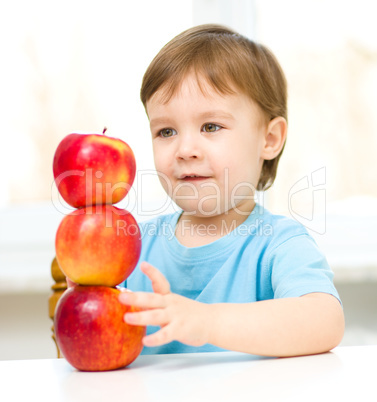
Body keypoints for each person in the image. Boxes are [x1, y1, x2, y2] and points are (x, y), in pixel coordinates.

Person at [118, 24, 345, 357]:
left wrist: (207, 322)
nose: (185, 149)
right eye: (166, 131)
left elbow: (325, 321)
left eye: (211, 126)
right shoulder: (131, 246)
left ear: (269, 139)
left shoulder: (278, 243)